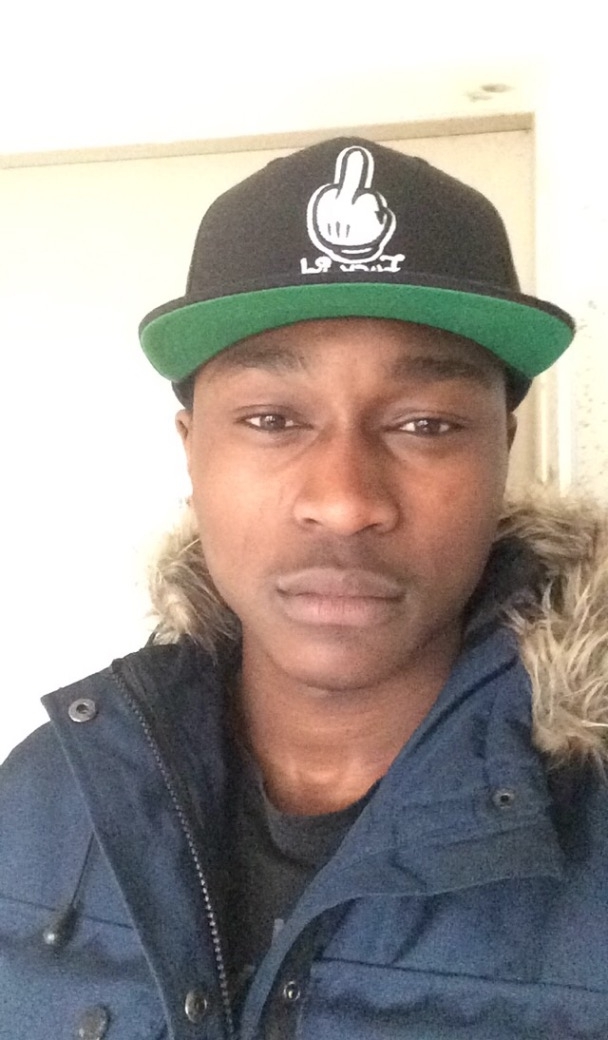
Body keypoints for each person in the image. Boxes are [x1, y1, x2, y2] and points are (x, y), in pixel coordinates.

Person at [1, 136, 606, 1040]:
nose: (345, 501)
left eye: (427, 424)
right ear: (192, 454)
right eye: (272, 419)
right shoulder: (40, 799)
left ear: (501, 454)